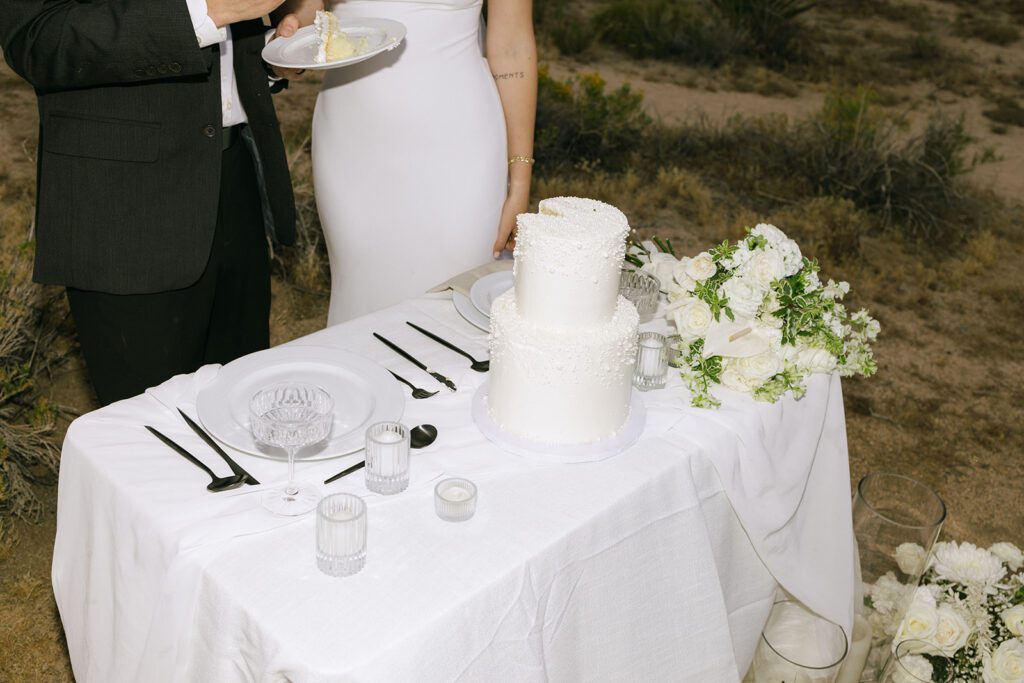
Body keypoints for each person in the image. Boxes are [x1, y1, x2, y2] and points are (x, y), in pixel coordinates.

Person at [1, 0, 299, 405]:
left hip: (234, 178)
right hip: (125, 206)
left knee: (244, 406)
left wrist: (269, 58)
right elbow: (35, 39)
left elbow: (223, 45)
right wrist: (206, 14)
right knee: (151, 432)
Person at [278, 0, 536, 324]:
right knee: (363, 299)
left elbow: (512, 46)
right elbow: (310, 8)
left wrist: (521, 179)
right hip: (352, 143)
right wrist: (293, 30)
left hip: (461, 147)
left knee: (456, 304)